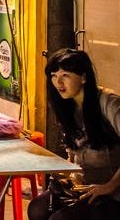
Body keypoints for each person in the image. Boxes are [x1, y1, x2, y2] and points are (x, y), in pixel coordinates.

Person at [27, 49, 120, 220]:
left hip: (113, 193)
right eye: (54, 75)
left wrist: (109, 186)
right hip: (84, 187)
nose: (58, 82)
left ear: (84, 77)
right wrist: (65, 176)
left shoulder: (108, 102)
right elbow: (75, 153)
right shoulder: (66, 106)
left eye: (65, 75)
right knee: (37, 209)